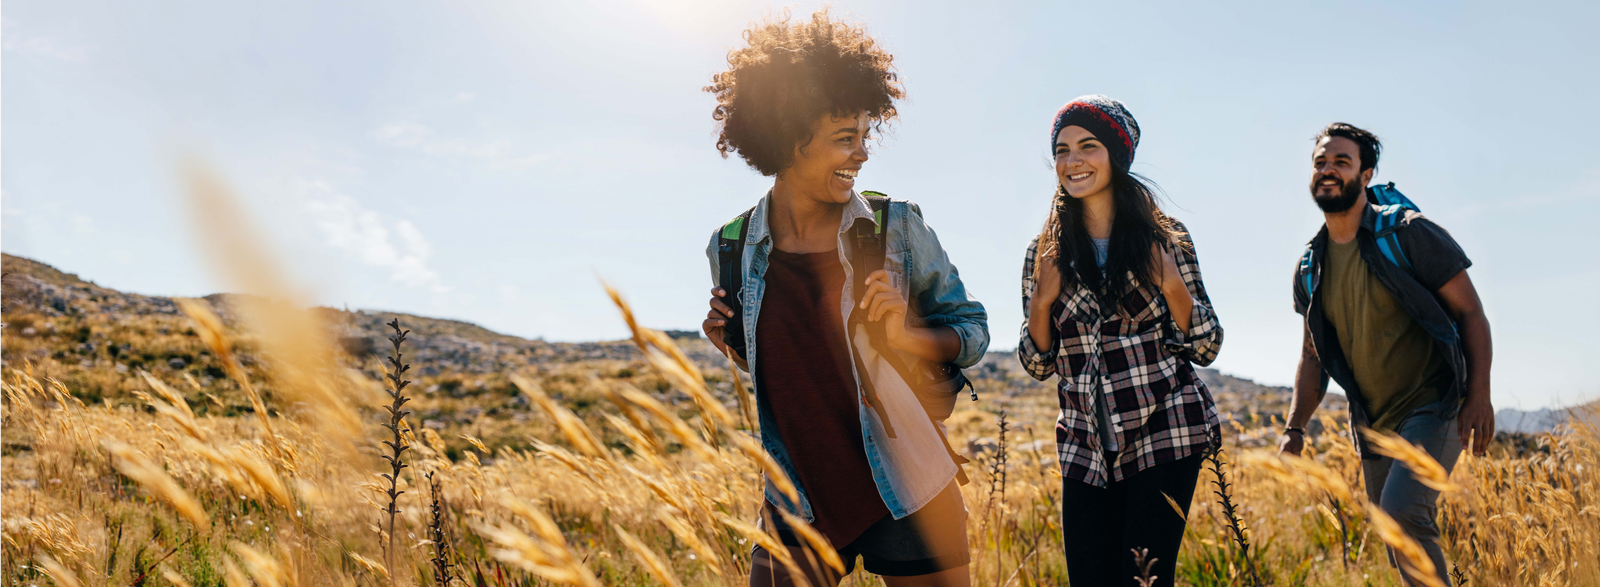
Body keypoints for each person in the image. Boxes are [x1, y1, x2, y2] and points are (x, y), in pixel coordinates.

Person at [698, 11, 989, 587]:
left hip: (906, 485)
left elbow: (972, 331)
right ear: (788, 140)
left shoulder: (894, 228)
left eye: (864, 136)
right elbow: (793, 368)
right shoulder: (732, 247)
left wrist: (908, 335)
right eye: (843, 139)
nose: (861, 153)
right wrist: (732, 346)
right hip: (797, 496)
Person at [1018, 95, 1223, 587]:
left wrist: (1172, 286)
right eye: (1062, 150)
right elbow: (1039, 364)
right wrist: (1041, 305)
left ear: (1117, 155)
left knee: (1143, 581)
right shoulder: (1043, 251)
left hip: (1165, 431)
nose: (1073, 161)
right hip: (1085, 448)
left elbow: (1206, 346)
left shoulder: (1166, 239)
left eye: (1088, 146)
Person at [1280, 123, 1493, 586]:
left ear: (1366, 172)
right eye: (1320, 162)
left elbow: (1472, 313)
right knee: (1394, 537)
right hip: (1373, 422)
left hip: (1434, 404)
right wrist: (1295, 426)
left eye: (1341, 161)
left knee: (1402, 515)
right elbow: (1311, 357)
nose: (1328, 170)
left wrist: (1479, 394)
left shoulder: (1407, 234)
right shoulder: (1310, 265)